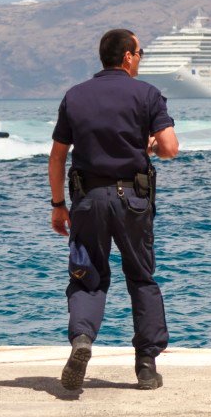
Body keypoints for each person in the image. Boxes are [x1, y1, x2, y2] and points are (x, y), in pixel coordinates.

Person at [49, 28, 179, 392]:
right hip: (132, 200)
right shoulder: (147, 95)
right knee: (140, 277)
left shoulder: (75, 96)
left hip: (87, 200)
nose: (140, 59)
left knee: (87, 277)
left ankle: (82, 341)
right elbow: (170, 148)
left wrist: (58, 205)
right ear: (127, 57)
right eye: (140, 53)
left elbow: (58, 156)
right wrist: (150, 146)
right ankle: (146, 367)